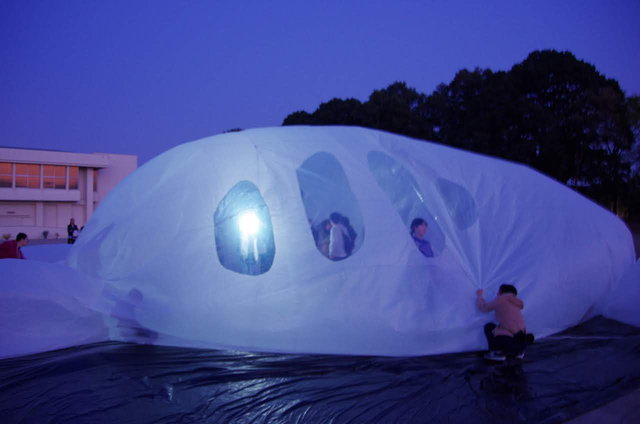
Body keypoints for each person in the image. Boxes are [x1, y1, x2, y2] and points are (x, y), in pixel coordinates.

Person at [476, 284, 534, 361]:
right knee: (504, 328)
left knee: (489, 326)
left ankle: (497, 352)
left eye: (498, 291)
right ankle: (518, 352)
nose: (497, 294)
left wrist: (479, 295)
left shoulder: (501, 299)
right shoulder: (516, 302)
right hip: (523, 340)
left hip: (508, 341)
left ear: (501, 292)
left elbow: (483, 307)